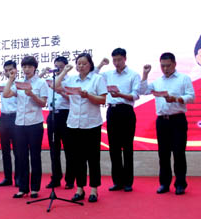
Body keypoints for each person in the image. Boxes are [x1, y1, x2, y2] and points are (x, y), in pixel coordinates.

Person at [140, 52, 195, 195]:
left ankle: (180, 184)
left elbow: (191, 97)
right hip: (162, 121)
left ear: (174, 64)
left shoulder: (184, 78)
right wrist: (145, 74)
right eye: (163, 66)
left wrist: (176, 99)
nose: (165, 69)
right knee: (163, 154)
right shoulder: (158, 82)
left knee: (178, 153)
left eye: (168, 66)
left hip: (178, 119)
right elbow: (143, 90)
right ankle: (164, 183)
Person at [55, 53, 107, 203]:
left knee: (93, 158)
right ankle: (80, 188)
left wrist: (88, 96)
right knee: (77, 158)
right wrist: (64, 71)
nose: (81, 66)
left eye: (84, 63)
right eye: (79, 64)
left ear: (90, 65)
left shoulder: (97, 79)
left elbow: (103, 99)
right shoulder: (72, 79)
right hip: (74, 124)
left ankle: (94, 189)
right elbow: (56, 86)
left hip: (91, 124)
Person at [3, 56, 48, 199]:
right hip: (19, 124)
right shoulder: (19, 83)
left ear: (35, 68)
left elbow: (43, 103)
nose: (27, 69)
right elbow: (6, 94)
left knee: (35, 156)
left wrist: (32, 95)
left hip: (34, 123)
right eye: (24, 67)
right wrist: (11, 79)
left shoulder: (41, 83)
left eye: (29, 67)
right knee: (21, 156)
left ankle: (34, 188)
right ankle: (23, 188)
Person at [102, 48, 140, 192]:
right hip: (112, 111)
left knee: (127, 148)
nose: (116, 63)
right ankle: (117, 181)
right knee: (114, 148)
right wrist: (101, 64)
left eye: (119, 60)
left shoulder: (133, 75)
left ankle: (128, 182)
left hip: (126, 111)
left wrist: (120, 95)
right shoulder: (108, 74)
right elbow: (92, 75)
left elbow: (135, 95)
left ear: (125, 59)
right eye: (114, 60)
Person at [41, 56, 72, 190]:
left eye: (60, 67)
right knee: (54, 149)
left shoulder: (71, 80)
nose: (57, 69)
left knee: (69, 149)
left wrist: (61, 92)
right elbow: (34, 83)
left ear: (66, 67)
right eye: (56, 66)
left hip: (66, 114)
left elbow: (73, 99)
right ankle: (56, 178)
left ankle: (70, 179)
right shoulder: (50, 80)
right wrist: (43, 72)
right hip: (52, 115)